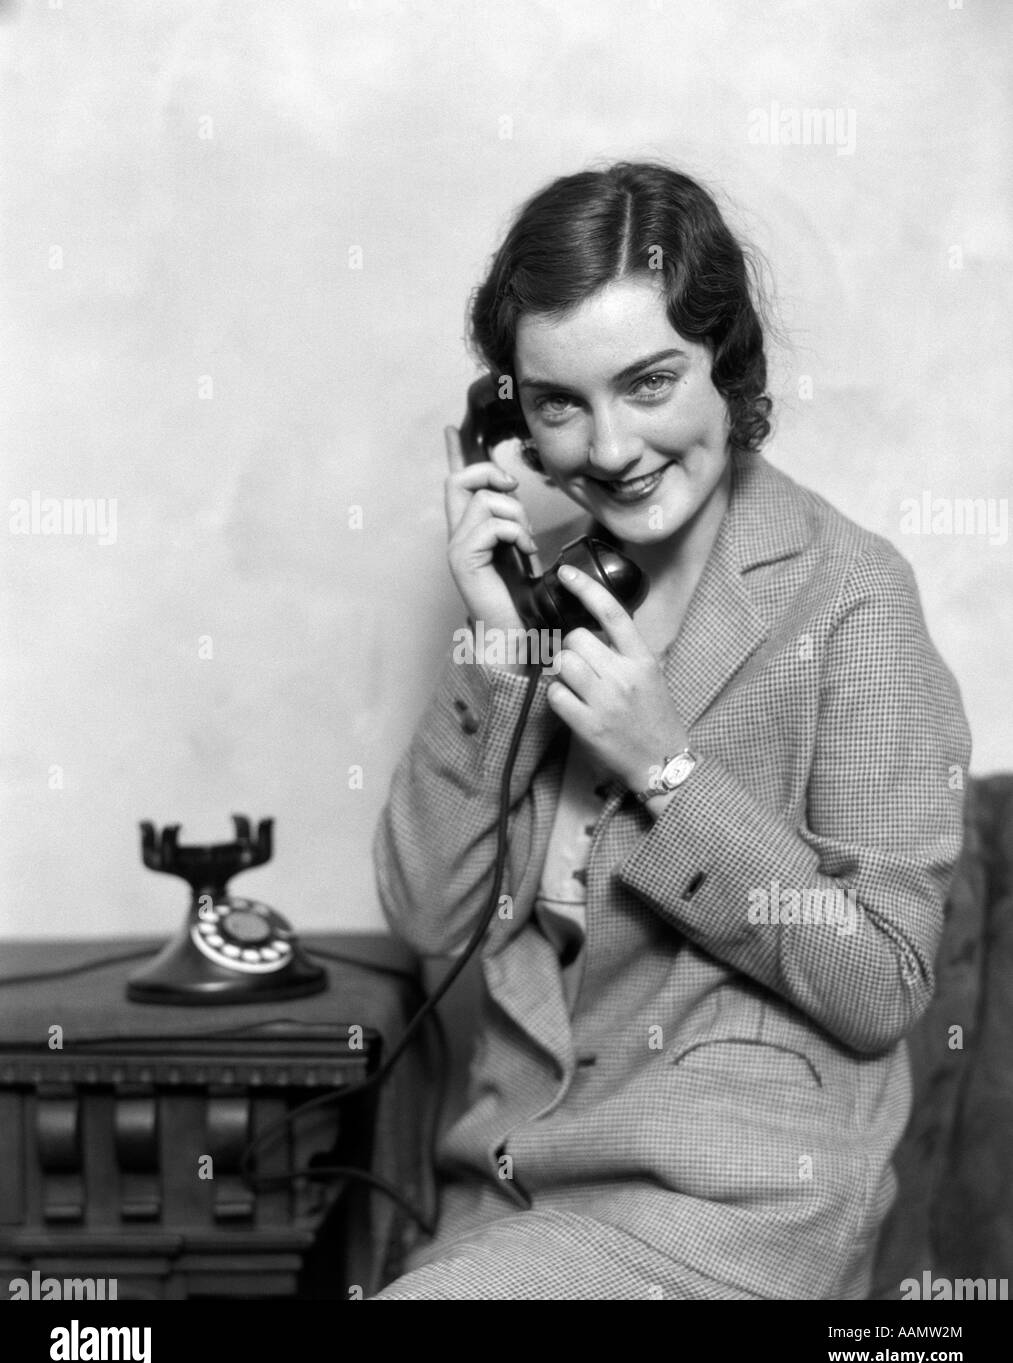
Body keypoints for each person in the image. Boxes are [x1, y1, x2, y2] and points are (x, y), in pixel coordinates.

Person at [370, 161, 972, 1300]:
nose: (605, 448)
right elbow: (426, 912)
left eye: (647, 384)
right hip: (512, 1195)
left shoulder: (849, 600)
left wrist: (667, 768)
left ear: (724, 367)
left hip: (727, 1209)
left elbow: (883, 981)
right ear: (508, 419)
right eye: (558, 404)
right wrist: (495, 649)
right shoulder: (545, 600)